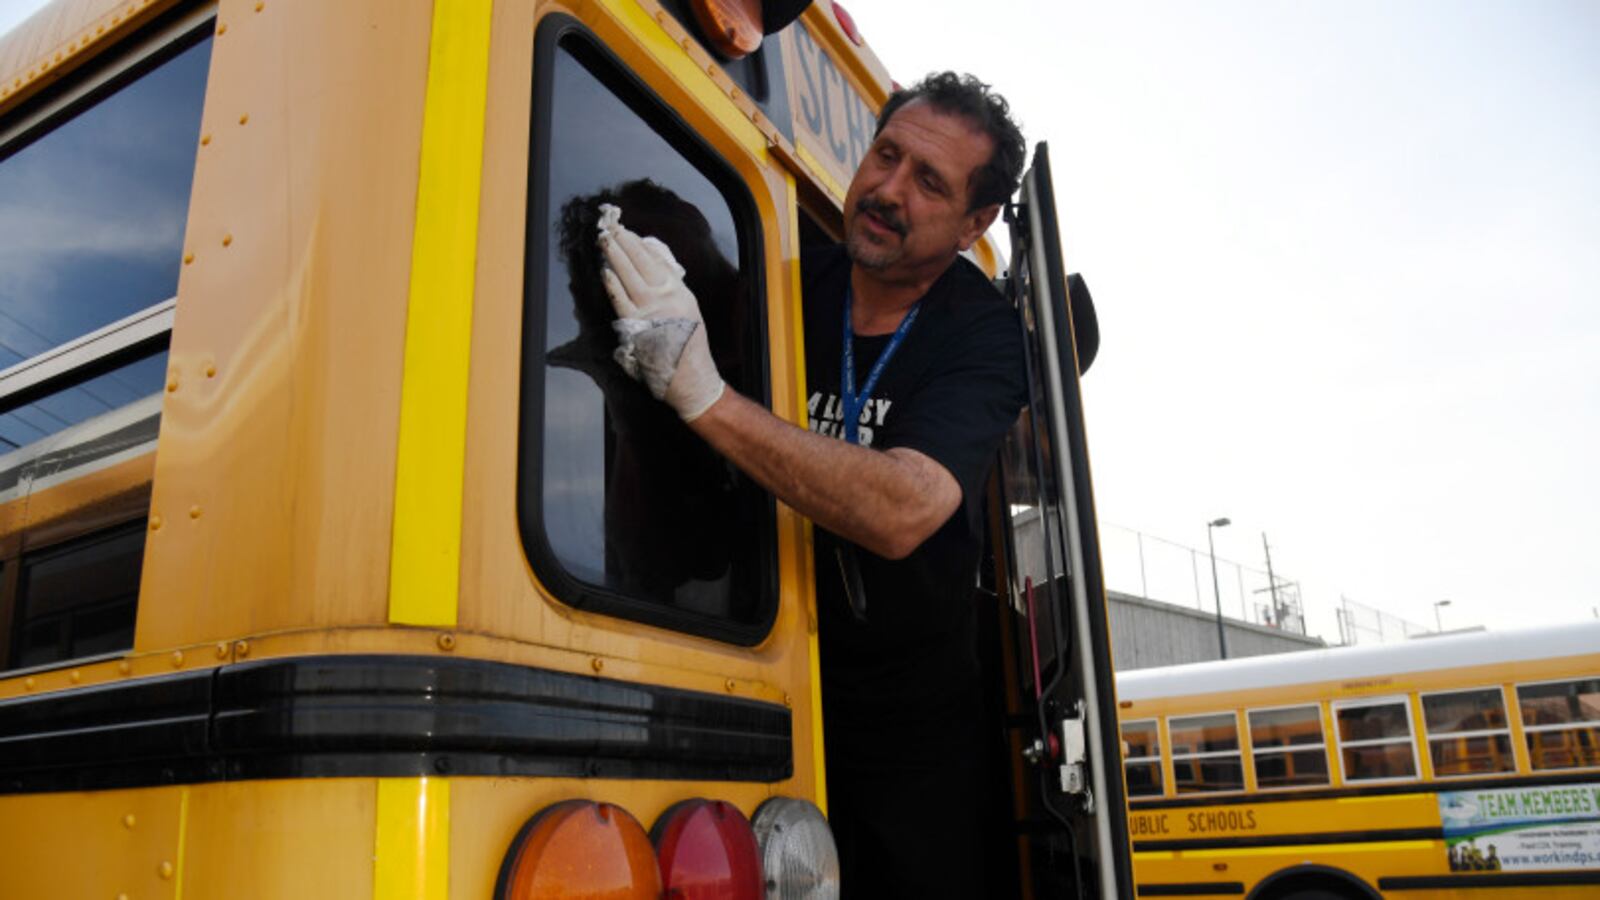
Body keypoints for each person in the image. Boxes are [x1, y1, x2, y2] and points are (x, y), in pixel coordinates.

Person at [598, 72, 1028, 898]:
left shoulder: (982, 336)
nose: (888, 190)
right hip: (761, 684)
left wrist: (706, 398)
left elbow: (905, 509)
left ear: (975, 223)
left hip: (912, 736)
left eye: (928, 181)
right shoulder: (788, 284)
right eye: (887, 155)